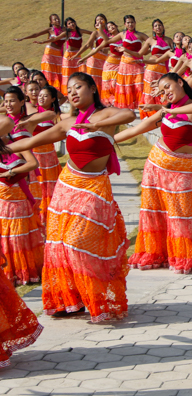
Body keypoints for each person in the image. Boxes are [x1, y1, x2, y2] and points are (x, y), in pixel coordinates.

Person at [7, 72, 135, 322]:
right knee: (59, 245)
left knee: (78, 242)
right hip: (67, 187)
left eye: (79, 87)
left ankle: (96, 295)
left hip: (95, 188)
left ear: (93, 89)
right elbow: (30, 142)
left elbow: (129, 114)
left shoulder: (106, 115)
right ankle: (70, 300)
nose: (73, 93)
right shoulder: (68, 123)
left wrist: (97, 126)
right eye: (70, 89)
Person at [114, 73, 192, 273]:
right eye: (162, 89)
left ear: (181, 82)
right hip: (155, 168)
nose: (166, 91)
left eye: (168, 86)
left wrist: (166, 109)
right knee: (155, 213)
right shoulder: (167, 112)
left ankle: (184, 255)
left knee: (182, 213)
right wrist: (104, 140)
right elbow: (135, 130)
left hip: (181, 171)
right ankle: (158, 253)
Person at [0, 104, 41, 286]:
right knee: (5, 234)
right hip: (2, 198)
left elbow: (32, 163)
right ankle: (10, 270)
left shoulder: (16, 143)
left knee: (19, 234)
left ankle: (24, 271)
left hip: (19, 196)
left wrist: (9, 174)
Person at [84, 15, 148, 110]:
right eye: (128, 22)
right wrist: (100, 29)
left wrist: (143, 53)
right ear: (125, 24)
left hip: (137, 63)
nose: (130, 24)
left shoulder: (141, 35)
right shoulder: (122, 34)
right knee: (126, 85)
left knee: (139, 86)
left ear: (135, 23)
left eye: (132, 22)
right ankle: (127, 108)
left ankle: (140, 107)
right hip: (124, 63)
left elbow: (151, 44)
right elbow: (108, 40)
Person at [28, 86, 61, 227]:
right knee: (36, 186)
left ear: (53, 99)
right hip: (33, 155)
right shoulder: (31, 112)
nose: (41, 98)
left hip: (48, 158)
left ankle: (49, 218)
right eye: (40, 95)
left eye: (45, 96)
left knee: (49, 187)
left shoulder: (56, 115)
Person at [15, 14, 65, 92]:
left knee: (58, 72)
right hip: (49, 52)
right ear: (51, 22)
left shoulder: (65, 30)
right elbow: (36, 34)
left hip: (58, 53)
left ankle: (57, 91)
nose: (57, 20)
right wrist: (23, 38)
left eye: (58, 19)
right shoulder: (50, 29)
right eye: (55, 19)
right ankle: (47, 89)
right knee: (49, 72)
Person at [137, 19, 176, 119]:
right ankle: (149, 113)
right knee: (150, 89)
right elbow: (140, 53)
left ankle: (162, 111)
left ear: (163, 27)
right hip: (151, 69)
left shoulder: (169, 40)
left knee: (162, 89)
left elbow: (175, 53)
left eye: (160, 25)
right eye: (156, 26)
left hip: (163, 68)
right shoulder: (150, 40)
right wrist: (127, 52)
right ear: (153, 28)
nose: (158, 27)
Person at [73, 14, 109, 90]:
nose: (99, 21)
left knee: (104, 78)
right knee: (94, 78)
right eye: (97, 20)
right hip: (95, 58)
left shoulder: (110, 31)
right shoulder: (95, 33)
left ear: (105, 21)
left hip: (106, 59)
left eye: (101, 19)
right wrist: (77, 54)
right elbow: (87, 45)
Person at [58, 18, 91, 96]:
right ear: (67, 26)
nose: (71, 24)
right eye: (69, 23)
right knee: (68, 74)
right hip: (69, 56)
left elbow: (93, 33)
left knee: (82, 71)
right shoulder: (67, 33)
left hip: (77, 54)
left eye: (72, 22)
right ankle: (67, 94)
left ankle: (81, 90)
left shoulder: (80, 31)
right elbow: (56, 38)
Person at [100, 22, 122, 106]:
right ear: (108, 31)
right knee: (107, 85)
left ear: (116, 26)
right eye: (109, 27)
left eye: (112, 25)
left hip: (120, 64)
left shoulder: (123, 36)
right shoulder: (109, 39)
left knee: (115, 83)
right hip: (109, 65)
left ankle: (116, 101)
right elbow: (99, 47)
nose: (111, 27)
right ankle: (110, 103)